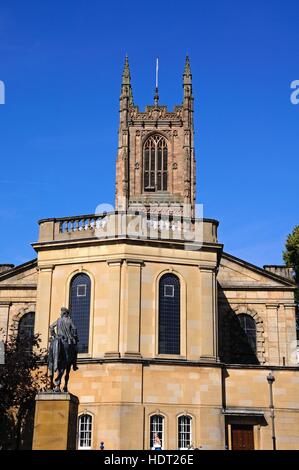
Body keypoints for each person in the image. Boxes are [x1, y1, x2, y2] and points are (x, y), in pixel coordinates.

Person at [49, 307, 79, 371]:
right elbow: (74, 328)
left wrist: (54, 335)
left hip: (58, 337)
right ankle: (74, 366)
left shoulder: (58, 320)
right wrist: (75, 336)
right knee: (75, 349)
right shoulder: (69, 320)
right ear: (67, 314)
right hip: (67, 340)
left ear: (63, 313)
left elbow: (51, 327)